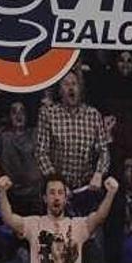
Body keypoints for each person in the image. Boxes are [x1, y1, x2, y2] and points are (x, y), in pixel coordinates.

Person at [36, 70, 110, 208]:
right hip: (57, 191)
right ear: (59, 90)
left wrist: (99, 173)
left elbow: (103, 151)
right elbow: (41, 153)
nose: (71, 88)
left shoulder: (93, 115)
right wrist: (57, 184)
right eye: (66, 84)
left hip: (87, 189)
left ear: (80, 88)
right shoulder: (48, 114)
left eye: (74, 84)